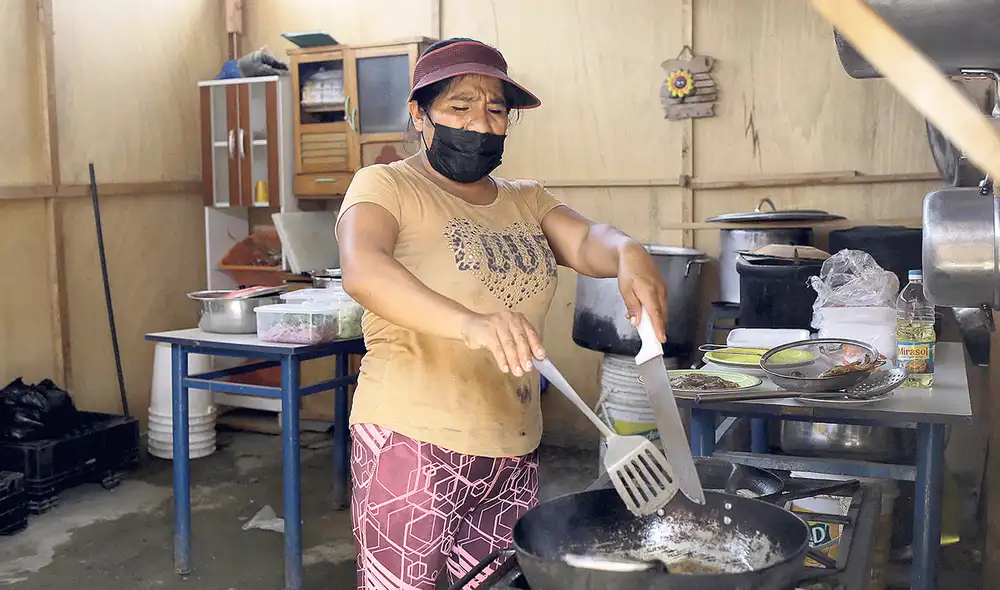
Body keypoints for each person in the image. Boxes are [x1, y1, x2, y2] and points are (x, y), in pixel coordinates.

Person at [336, 37, 669, 589]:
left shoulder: (525, 198)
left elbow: (589, 242)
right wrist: (471, 323)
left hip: (512, 446)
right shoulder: (387, 184)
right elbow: (364, 270)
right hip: (413, 441)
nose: (481, 125)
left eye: (496, 110)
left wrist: (629, 252)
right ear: (420, 114)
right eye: (460, 107)